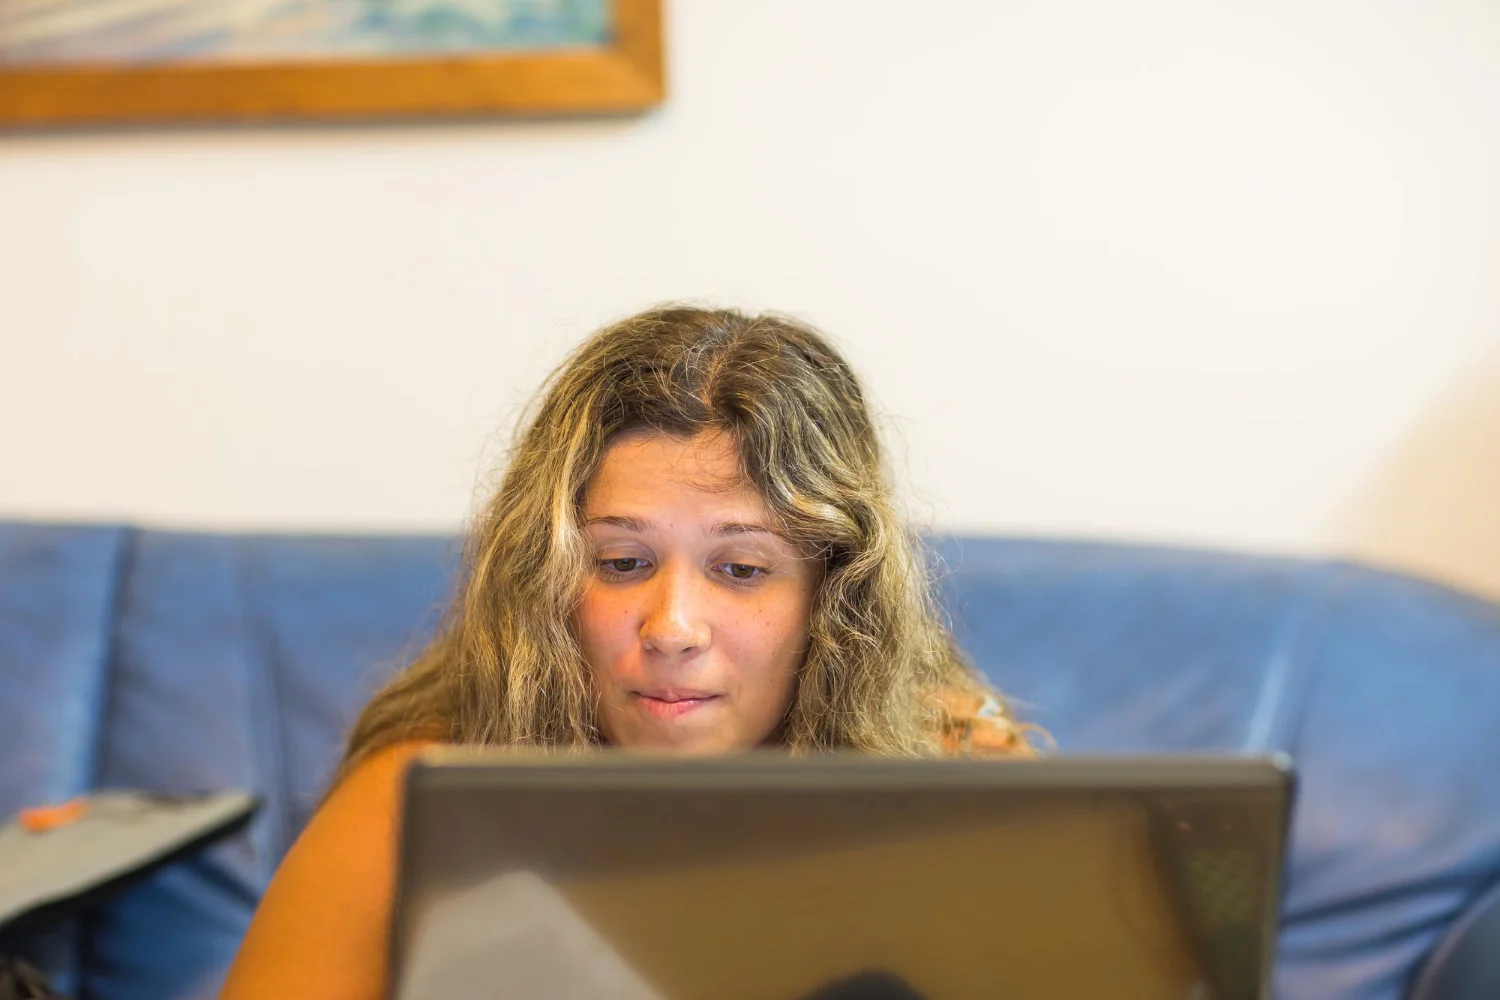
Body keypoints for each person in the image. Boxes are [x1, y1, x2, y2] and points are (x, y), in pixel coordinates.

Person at [218, 305, 1034, 999]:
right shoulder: (420, 798)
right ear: (546, 579)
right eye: (621, 563)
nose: (671, 626)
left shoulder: (952, 772)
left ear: (833, 597)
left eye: (742, 570)